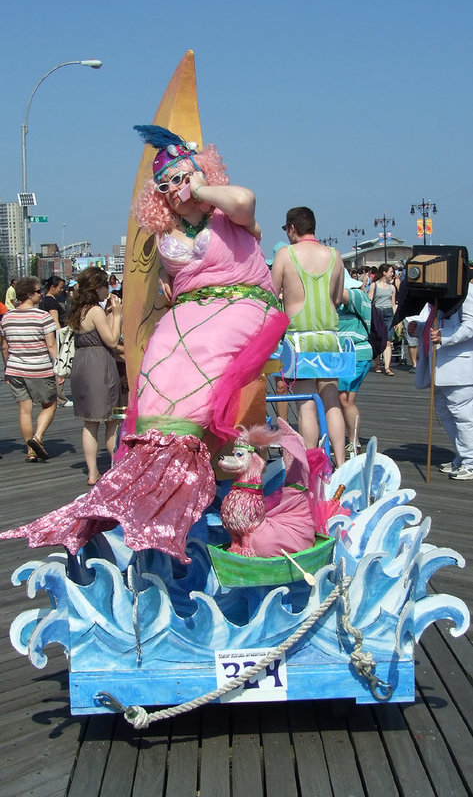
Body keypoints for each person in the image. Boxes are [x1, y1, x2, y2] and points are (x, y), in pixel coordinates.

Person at [0, 126, 288, 562]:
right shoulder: (166, 237)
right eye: (165, 184)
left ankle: (184, 459)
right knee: (159, 353)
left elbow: (247, 201)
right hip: (193, 310)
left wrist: (203, 187)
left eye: (180, 177)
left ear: (199, 171)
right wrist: (168, 295)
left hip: (244, 302)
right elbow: (169, 286)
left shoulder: (228, 214)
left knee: (205, 349)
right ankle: (156, 458)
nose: (174, 188)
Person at [271, 207, 346, 466]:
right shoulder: (335, 256)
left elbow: (272, 294)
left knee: (305, 403)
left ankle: (310, 463)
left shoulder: (285, 254)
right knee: (331, 399)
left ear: (292, 228)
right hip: (328, 336)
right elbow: (336, 299)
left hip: (299, 339)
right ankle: (342, 460)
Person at [408, 282, 473, 480]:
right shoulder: (439, 295)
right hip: (439, 367)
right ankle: (462, 456)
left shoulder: (466, 291)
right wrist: (419, 328)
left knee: (462, 416)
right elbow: (434, 324)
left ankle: (470, 461)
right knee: (447, 415)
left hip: (457, 367)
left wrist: (444, 337)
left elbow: (469, 325)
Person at [68, 267, 123, 486]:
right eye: (106, 286)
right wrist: (117, 315)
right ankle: (117, 467)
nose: (108, 290)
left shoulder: (77, 309)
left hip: (82, 364)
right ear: (97, 287)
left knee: (90, 422)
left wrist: (110, 312)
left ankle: (92, 473)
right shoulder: (95, 311)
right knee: (113, 420)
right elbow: (111, 340)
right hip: (100, 366)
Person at [0, 276, 58, 462]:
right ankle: (37, 437)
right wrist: (58, 366)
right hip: (39, 367)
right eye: (38, 291)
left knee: (25, 410)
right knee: (50, 404)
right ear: (29, 294)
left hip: (15, 368)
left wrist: (7, 367)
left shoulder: (7, 318)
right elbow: (51, 346)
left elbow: (4, 347)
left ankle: (30, 451)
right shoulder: (43, 316)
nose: (41, 294)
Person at [338, 269, 373, 454]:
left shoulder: (357, 295)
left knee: (344, 399)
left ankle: (353, 440)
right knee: (344, 399)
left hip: (356, 354)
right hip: (343, 356)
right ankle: (353, 439)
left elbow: (339, 293)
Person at [40, 276, 73, 408]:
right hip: (54, 338)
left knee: (53, 367)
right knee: (59, 366)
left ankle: (56, 396)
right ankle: (61, 398)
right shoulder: (52, 303)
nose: (61, 290)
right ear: (52, 288)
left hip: (48, 337)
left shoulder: (43, 301)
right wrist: (62, 339)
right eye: (59, 287)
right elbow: (55, 321)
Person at [369, 263, 397, 375]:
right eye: (391, 271)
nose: (392, 274)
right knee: (378, 339)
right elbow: (370, 299)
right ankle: (378, 364)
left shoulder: (392, 287)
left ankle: (387, 367)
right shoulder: (374, 285)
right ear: (384, 272)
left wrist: (396, 319)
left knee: (388, 341)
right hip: (377, 313)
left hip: (389, 313)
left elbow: (393, 304)